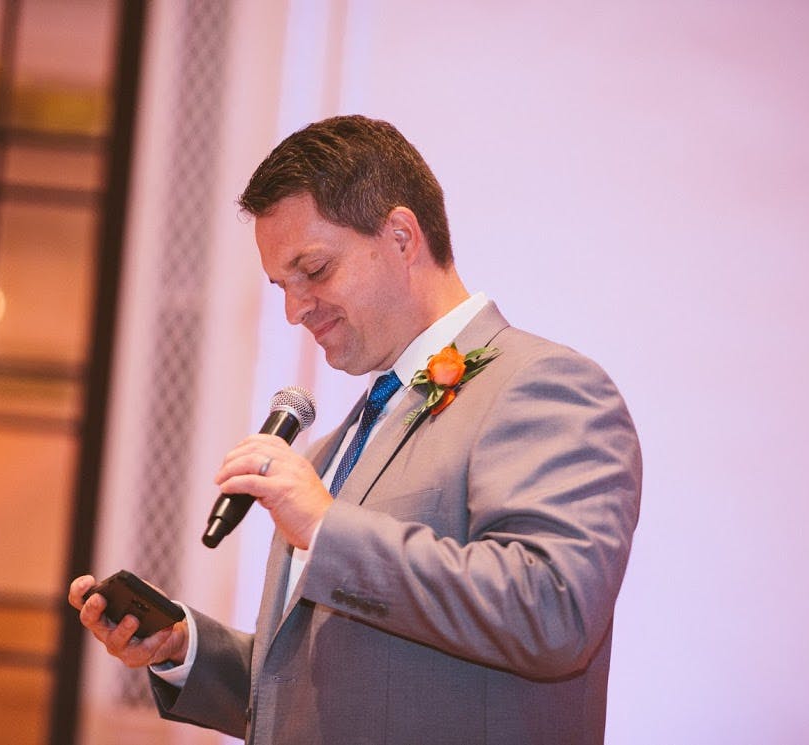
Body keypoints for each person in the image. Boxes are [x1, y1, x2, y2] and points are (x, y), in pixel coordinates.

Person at [69, 114, 642, 744]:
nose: (294, 310)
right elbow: (333, 696)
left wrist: (325, 525)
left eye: (313, 271)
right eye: (281, 287)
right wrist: (183, 648)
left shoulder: (541, 386)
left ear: (400, 236)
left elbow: (553, 612)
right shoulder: (332, 449)